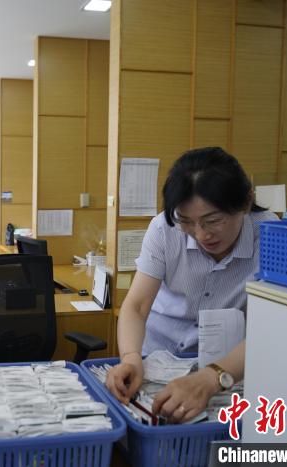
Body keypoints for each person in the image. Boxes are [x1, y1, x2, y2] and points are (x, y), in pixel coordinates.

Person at [106, 147, 277, 424]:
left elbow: (272, 328)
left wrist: (212, 377)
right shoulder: (164, 229)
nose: (201, 234)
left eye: (213, 221)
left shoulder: (272, 236)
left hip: (227, 365)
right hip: (157, 355)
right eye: (186, 221)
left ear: (246, 203)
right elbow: (136, 306)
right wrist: (131, 358)